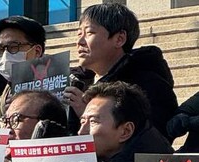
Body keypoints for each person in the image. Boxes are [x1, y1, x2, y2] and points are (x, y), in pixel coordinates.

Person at [63, 3, 178, 140]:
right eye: (79, 34)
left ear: (119, 39)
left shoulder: (148, 85)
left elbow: (155, 142)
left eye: (89, 33)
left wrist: (88, 115)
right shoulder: (79, 82)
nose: (80, 42)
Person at [0, 15, 47, 126]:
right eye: (0, 49)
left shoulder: (64, 86)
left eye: (14, 46)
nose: (5, 55)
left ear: (37, 51)